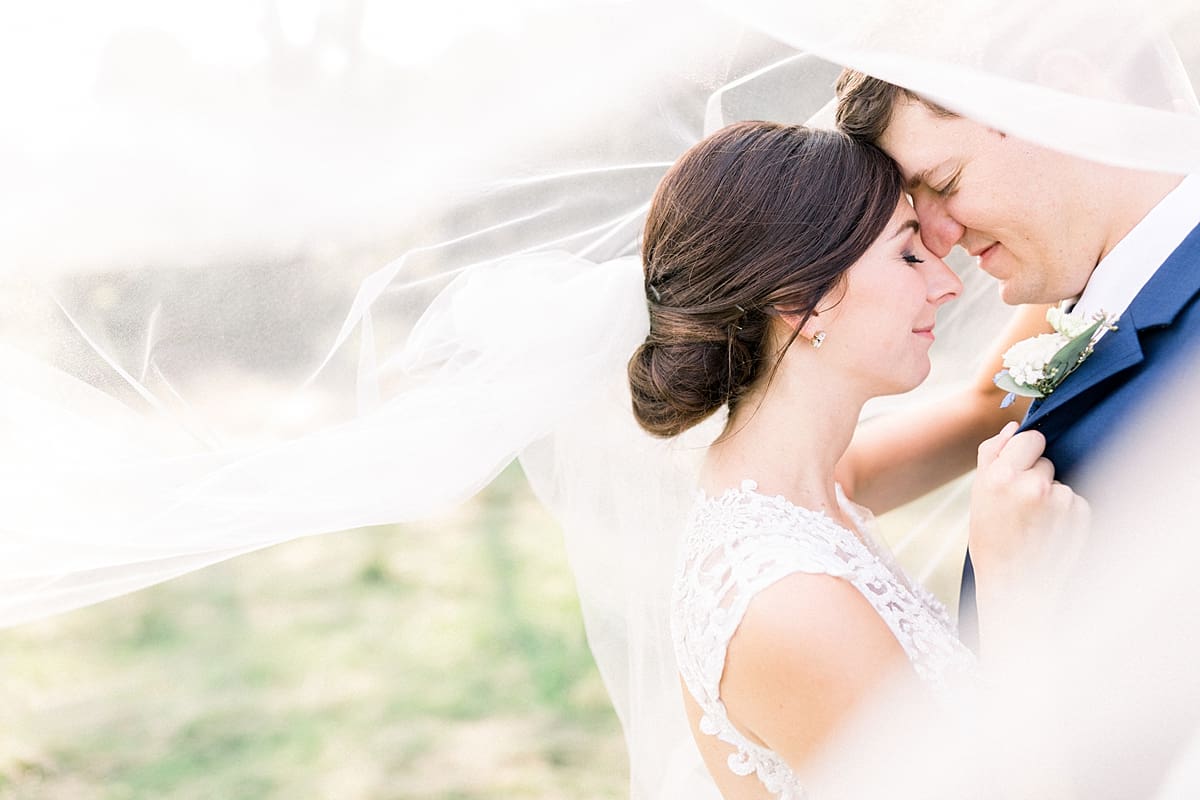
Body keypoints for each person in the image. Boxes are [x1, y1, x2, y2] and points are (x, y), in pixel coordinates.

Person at [625, 119, 1086, 799]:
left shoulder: (806, 485)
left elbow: (984, 405)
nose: (947, 285)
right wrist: (1012, 591)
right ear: (798, 302)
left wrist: (1086, 234)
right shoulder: (790, 603)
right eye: (908, 257)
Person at [834, 67, 1200, 639]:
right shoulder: (1098, 290)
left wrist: (1018, 605)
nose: (934, 240)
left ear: (1071, 99)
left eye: (946, 182)